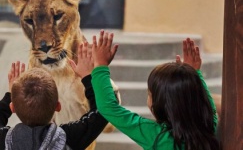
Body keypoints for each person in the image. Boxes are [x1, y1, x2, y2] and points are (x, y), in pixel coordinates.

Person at [87, 30, 219, 150]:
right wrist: (194, 74)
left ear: (160, 104)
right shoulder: (209, 126)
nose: (148, 98)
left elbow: (108, 108)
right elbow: (205, 102)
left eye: (150, 94)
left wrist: (100, 66)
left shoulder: (158, 137)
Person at [0, 41, 110, 150]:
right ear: (58, 106)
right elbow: (102, 111)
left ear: (13, 108)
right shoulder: (68, 138)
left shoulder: (6, 140)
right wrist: (88, 77)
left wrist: (10, 94)